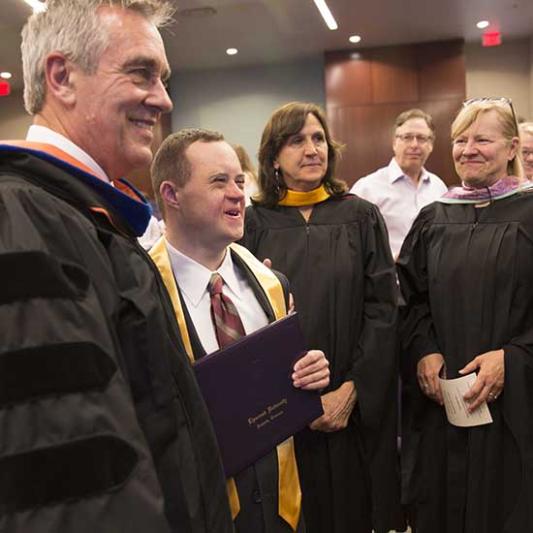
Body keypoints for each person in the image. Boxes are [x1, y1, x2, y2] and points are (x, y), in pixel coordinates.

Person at [0, 1, 233, 531]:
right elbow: (73, 482)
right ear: (61, 76)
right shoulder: (23, 221)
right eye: (141, 72)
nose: (164, 98)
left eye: (164, 78)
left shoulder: (84, 217)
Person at [149, 128, 330, 532]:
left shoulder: (271, 285)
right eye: (218, 182)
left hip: (281, 513)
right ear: (171, 195)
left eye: (239, 181)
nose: (237, 194)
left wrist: (310, 373)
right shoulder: (140, 295)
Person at [241, 102, 403, 533]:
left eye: (318, 139)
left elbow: (383, 311)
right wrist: (297, 404)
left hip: (353, 406)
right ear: (273, 155)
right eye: (296, 141)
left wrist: (351, 390)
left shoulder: (360, 216)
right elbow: (245, 322)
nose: (312, 149)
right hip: (284, 412)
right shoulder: (253, 224)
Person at [397, 97, 533, 533]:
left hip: (517, 406)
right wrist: (423, 351)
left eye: (482, 139)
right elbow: (410, 299)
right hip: (442, 404)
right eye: (460, 140)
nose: (468, 149)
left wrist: (512, 356)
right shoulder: (433, 218)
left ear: (512, 148)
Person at [351, 109, 447, 259]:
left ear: (431, 145)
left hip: (434, 279)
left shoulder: (439, 187)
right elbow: (351, 242)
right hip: (389, 280)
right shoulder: (367, 188)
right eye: (407, 137)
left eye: (422, 138)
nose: (414, 145)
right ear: (394, 143)